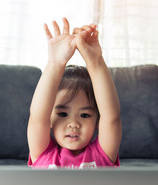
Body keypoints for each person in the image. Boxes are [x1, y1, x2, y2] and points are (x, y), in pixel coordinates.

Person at [27, 17, 122, 169]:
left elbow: (111, 116)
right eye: (63, 114)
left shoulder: (102, 154)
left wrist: (95, 61)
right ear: (49, 119)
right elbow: (37, 118)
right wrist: (55, 63)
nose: (74, 124)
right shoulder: (43, 153)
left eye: (85, 115)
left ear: (97, 121)